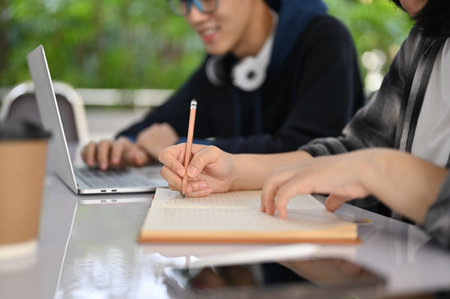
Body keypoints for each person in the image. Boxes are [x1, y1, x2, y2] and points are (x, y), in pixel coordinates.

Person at [159, 0, 450, 249]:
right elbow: (351, 153)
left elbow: (363, 162)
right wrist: (234, 172)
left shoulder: (323, 38)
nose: (195, 15)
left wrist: (378, 167)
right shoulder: (424, 40)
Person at [81, 0, 364, 170]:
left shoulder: (325, 41)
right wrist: (125, 146)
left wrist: (178, 147)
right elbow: (156, 126)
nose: (194, 16)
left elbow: (308, 149)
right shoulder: (219, 67)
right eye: (185, 3)